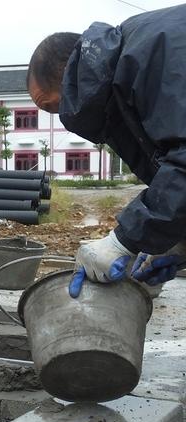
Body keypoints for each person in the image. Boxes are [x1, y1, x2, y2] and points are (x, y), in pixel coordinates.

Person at [26, 4, 186, 297]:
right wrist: (180, 242)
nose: (63, 117)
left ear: (68, 72)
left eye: (51, 106)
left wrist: (122, 240)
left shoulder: (151, 52)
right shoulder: (124, 89)